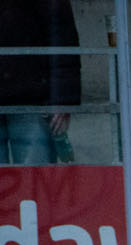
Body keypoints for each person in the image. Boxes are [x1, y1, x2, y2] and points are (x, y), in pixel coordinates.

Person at [0, 0, 79, 164]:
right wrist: (63, 99)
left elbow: (62, 34)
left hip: (32, 98)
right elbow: (62, 34)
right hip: (33, 94)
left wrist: (63, 99)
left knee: (36, 174)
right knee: (36, 175)